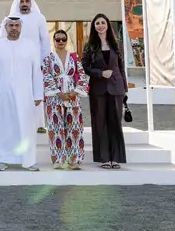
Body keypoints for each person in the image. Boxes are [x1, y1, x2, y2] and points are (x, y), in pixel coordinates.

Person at [0, 16, 44, 171]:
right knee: (2, 127)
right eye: (11, 25)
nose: (14, 28)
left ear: (21, 27)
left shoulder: (30, 46)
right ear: (5, 27)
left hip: (25, 94)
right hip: (2, 94)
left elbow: (36, 72)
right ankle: (1, 159)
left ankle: (28, 160)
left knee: (26, 126)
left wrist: (38, 94)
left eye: (17, 25)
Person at [0, 0, 50, 133]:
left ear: (31, 3)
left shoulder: (39, 18)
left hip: (35, 63)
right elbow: (0, 37)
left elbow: (45, 42)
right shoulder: (11, 19)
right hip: (14, 63)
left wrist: (45, 63)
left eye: (27, 1)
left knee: (36, 92)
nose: (25, 4)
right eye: (22, 1)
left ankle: (38, 124)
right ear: (18, 3)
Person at [82, 13, 128, 169]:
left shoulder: (116, 44)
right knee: (100, 122)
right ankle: (104, 158)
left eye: (102, 22)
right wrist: (100, 73)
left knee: (115, 122)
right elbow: (85, 67)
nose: (100, 25)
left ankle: (116, 158)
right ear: (94, 27)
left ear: (107, 25)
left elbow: (121, 68)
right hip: (98, 89)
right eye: (97, 23)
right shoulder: (90, 47)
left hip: (116, 88)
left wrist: (125, 89)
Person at [42, 29, 89, 170]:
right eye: (58, 39)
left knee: (74, 127)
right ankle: (58, 159)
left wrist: (75, 91)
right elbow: (46, 76)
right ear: (54, 41)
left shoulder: (74, 57)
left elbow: (81, 75)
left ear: (67, 41)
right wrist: (58, 93)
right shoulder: (48, 59)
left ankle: (73, 159)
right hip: (54, 98)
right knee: (56, 128)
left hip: (72, 97)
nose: (61, 42)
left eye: (63, 39)